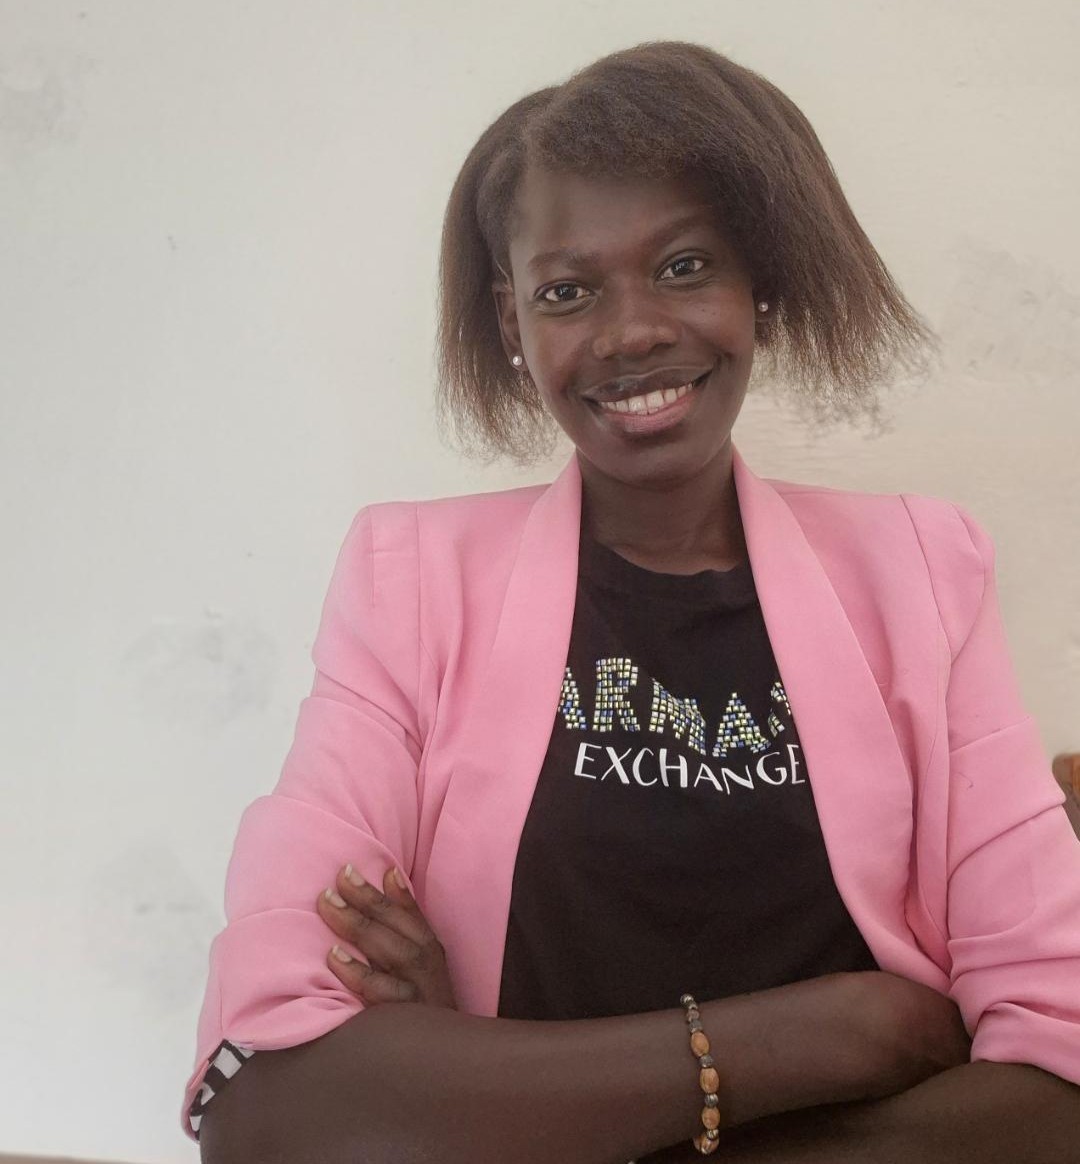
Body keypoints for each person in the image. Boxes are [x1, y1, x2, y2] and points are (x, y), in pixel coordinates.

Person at [188, 41, 1080, 1163]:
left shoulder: (923, 572)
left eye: (685, 266)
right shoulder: (408, 581)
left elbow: (1057, 1080)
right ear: (513, 326)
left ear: (761, 286)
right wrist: (830, 1034)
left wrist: (474, 1077)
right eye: (566, 291)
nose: (631, 332)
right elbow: (264, 1102)